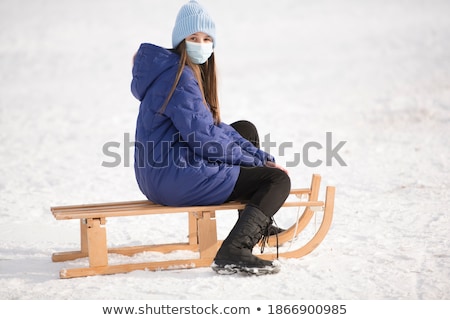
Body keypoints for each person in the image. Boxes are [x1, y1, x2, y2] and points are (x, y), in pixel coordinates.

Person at [131, 0, 291, 275]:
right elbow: (204, 139)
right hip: (174, 177)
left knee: (245, 130)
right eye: (194, 38)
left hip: (162, 172)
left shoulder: (174, 72)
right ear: (181, 41)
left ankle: (255, 224)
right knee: (277, 180)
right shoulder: (179, 77)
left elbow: (209, 127)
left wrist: (256, 156)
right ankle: (235, 251)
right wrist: (260, 163)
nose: (201, 44)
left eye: (207, 39)